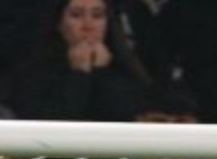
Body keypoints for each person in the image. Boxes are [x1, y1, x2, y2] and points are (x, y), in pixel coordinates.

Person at [8, 0, 152, 123]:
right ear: (59, 23)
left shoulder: (125, 69)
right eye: (76, 15)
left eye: (97, 16)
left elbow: (126, 118)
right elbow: (52, 122)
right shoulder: (34, 70)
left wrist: (101, 72)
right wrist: (79, 75)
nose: (88, 26)